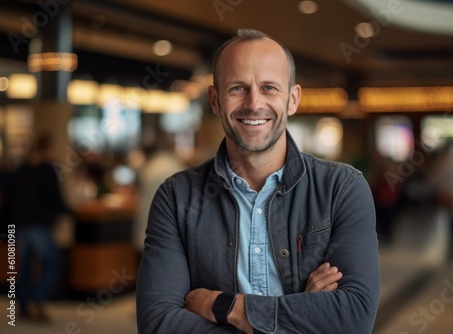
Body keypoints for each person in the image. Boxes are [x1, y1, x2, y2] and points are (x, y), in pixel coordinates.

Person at [136, 29, 380, 333]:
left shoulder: (342, 189)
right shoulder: (176, 198)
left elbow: (353, 318)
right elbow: (158, 324)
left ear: (292, 100)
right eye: (237, 88)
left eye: (269, 88)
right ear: (214, 100)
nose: (253, 103)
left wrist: (225, 306)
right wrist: (300, 312)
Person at [6, 135, 72, 322]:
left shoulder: (20, 170)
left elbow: (9, 201)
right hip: (38, 225)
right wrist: (67, 211)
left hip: (20, 226)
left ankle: (24, 307)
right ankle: (37, 298)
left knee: (25, 267)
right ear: (47, 149)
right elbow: (55, 198)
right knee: (51, 263)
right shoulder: (47, 170)